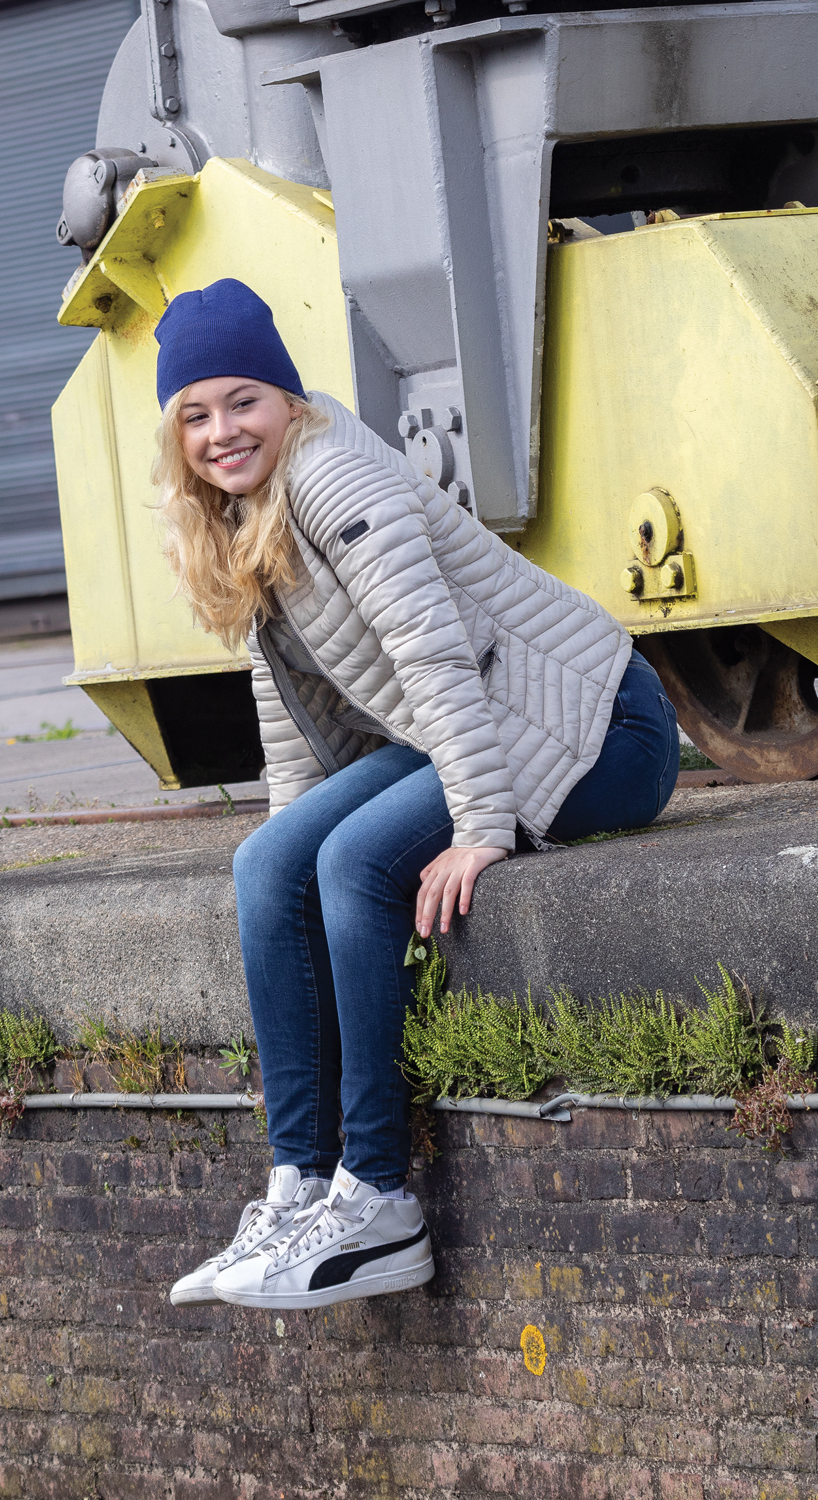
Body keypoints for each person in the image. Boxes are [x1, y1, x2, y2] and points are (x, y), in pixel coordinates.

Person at [157, 279, 679, 1312]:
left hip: (594, 726)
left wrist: (481, 826)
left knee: (356, 864)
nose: (221, 432)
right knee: (268, 863)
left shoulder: (332, 478)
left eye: (242, 401)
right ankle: (299, 1186)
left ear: (286, 399)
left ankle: (377, 1198)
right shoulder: (240, 511)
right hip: (472, 726)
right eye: (195, 414)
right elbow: (289, 715)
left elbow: (432, 654)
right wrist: (288, 860)